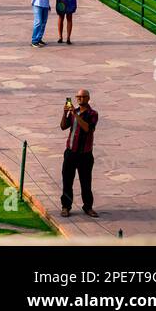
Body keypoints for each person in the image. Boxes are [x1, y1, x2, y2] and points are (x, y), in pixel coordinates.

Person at [60, 89, 99, 218]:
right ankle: (66, 206)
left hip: (85, 154)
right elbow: (63, 127)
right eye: (78, 97)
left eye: (82, 97)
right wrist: (65, 114)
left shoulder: (92, 114)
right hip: (71, 152)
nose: (79, 99)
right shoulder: (73, 112)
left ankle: (88, 207)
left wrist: (75, 115)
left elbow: (88, 128)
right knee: (67, 181)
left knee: (86, 182)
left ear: (88, 98)